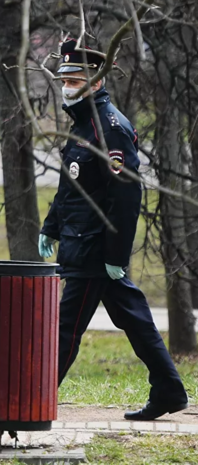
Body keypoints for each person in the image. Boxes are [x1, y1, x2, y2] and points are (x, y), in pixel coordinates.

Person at [38, 39, 188, 421]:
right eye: (65, 80)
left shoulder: (111, 129)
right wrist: (51, 227)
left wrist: (116, 256)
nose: (67, 87)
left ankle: (36, 398)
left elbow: (125, 197)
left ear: (96, 82)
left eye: (75, 80)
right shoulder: (84, 126)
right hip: (79, 241)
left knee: (65, 327)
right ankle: (169, 390)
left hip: (94, 250)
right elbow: (71, 188)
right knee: (134, 319)